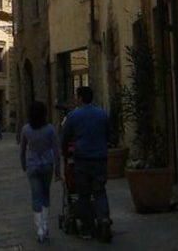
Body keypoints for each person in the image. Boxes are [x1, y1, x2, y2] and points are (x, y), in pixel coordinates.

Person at [62, 86, 113, 242]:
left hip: (82, 159)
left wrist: (65, 152)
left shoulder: (73, 116)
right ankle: (103, 219)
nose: (76, 99)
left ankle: (87, 228)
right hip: (99, 158)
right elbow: (110, 135)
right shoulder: (103, 114)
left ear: (81, 98)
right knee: (99, 191)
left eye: (77, 96)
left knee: (83, 194)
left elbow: (65, 138)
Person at [20, 100, 62, 243]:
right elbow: (56, 151)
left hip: (33, 166)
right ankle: (45, 224)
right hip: (47, 165)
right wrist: (58, 170)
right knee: (45, 195)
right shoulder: (50, 129)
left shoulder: (26, 129)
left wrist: (23, 164)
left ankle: (39, 229)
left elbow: (22, 149)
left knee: (36, 196)